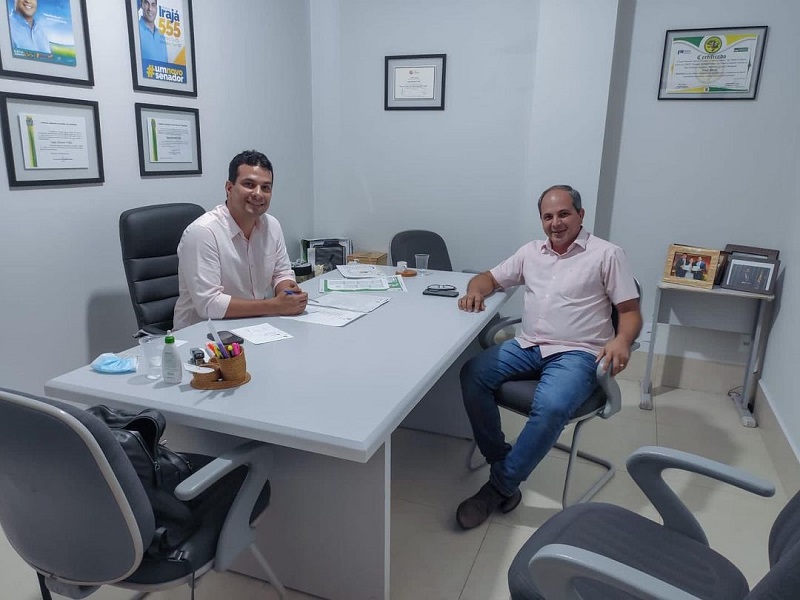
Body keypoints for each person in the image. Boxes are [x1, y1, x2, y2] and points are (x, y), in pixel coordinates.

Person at [455, 184, 641, 530]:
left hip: (579, 352)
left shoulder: (607, 254)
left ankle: (498, 488)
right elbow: (488, 278)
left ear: (580, 215)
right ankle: (502, 461)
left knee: (552, 406)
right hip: (529, 345)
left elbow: (629, 311)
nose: (556, 223)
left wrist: (622, 340)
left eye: (564, 214)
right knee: (472, 373)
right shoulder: (531, 252)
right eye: (548, 216)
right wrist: (475, 292)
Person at [174, 150, 308, 330]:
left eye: (265, 187)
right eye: (249, 184)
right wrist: (275, 306)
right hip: (203, 336)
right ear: (229, 188)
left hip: (255, 326)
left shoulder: (272, 226)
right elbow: (209, 304)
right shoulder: (203, 233)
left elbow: (281, 273)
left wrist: (288, 294)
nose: (258, 193)